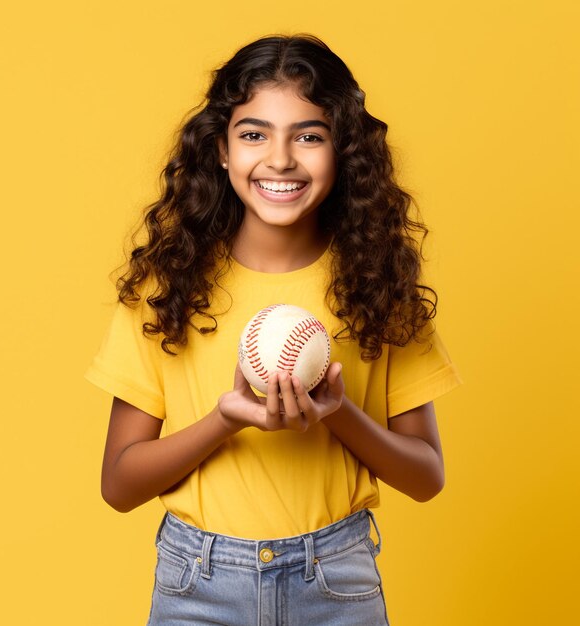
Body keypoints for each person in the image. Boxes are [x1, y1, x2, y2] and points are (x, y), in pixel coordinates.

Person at [86, 34, 461, 626]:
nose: (281, 159)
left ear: (343, 151)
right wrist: (225, 419)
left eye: (309, 135)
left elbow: (426, 476)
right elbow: (119, 485)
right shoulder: (169, 289)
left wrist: (339, 412)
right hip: (198, 582)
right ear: (220, 150)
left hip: (336, 578)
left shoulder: (378, 285)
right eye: (254, 134)